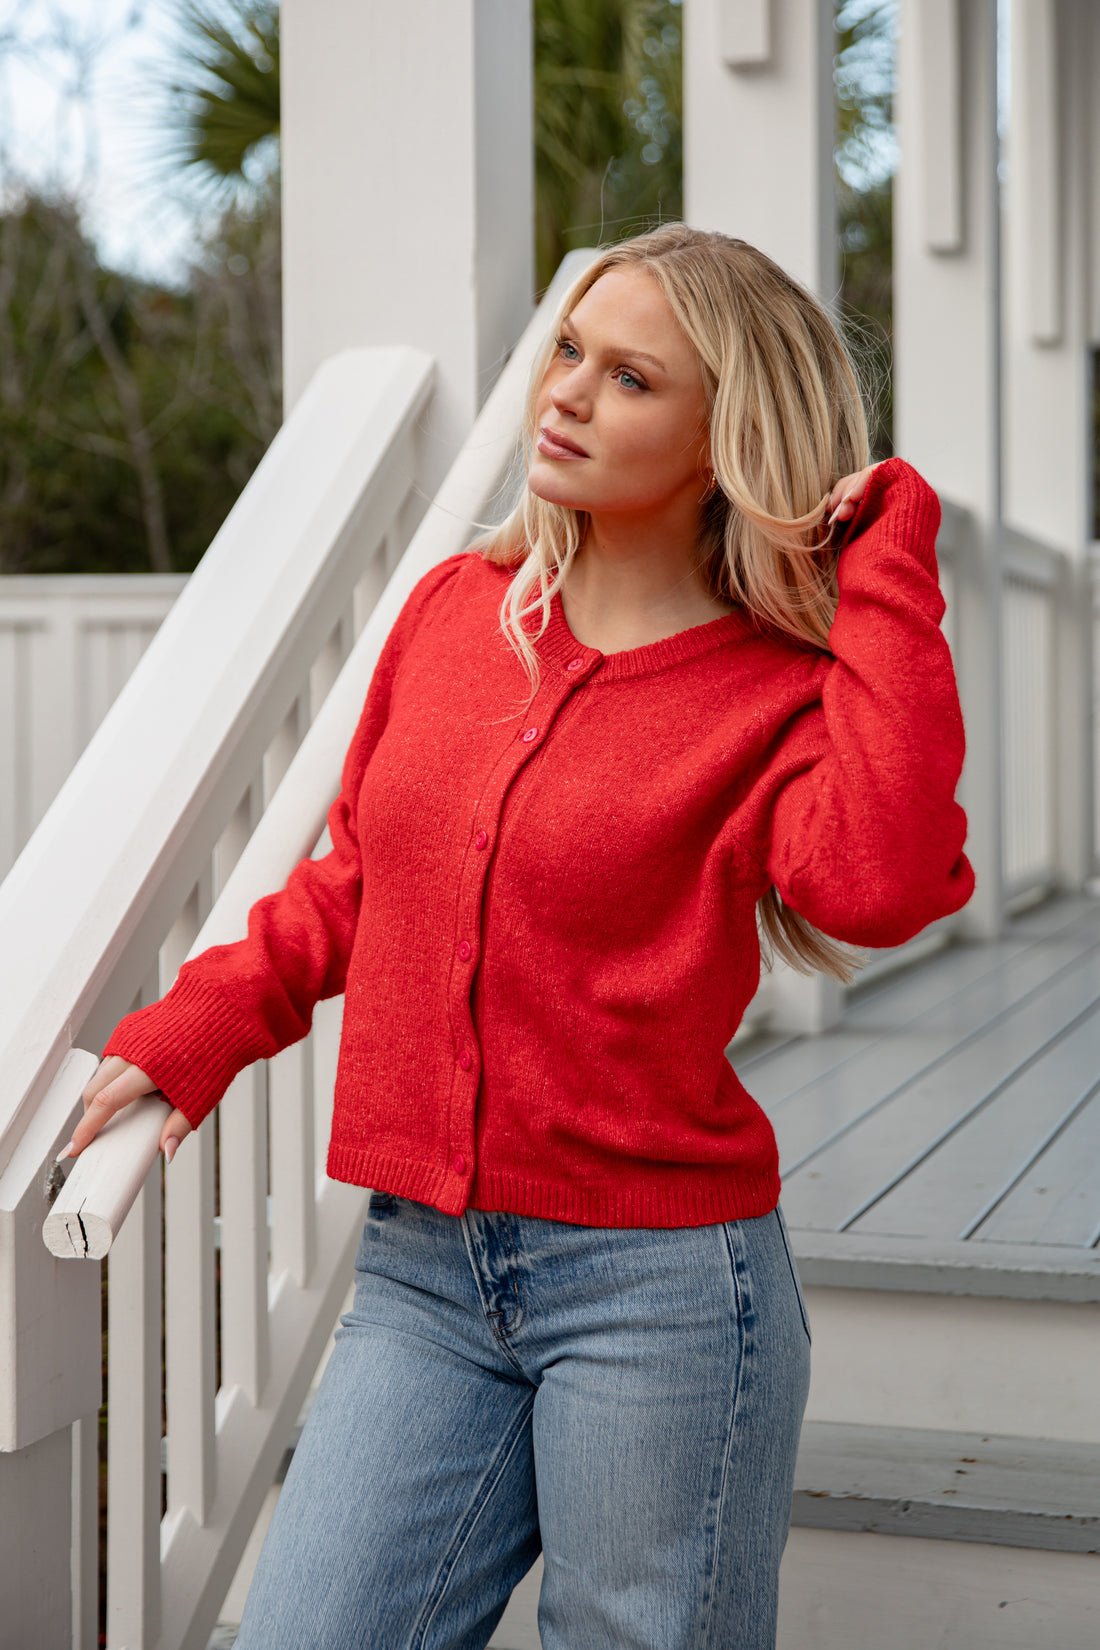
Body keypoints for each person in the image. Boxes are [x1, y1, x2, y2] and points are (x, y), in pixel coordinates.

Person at [61, 225, 974, 1649]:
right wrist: (202, 1028)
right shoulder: (454, 613)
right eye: (567, 353)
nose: (564, 394)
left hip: (662, 1290)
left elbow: (882, 878)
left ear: (725, 431)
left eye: (628, 378)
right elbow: (360, 875)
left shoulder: (775, 695)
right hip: (425, 1268)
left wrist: (889, 567)